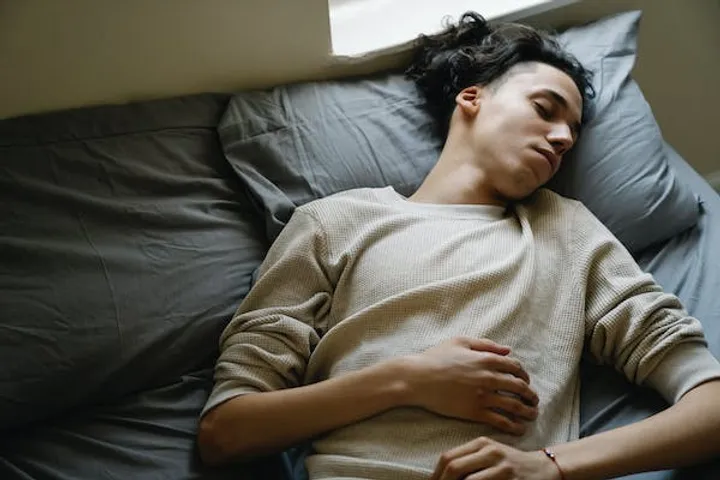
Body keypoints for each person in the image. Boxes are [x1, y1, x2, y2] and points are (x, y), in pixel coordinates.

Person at [197, 12, 720, 480]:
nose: (563, 137)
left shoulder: (567, 229)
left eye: (573, 132)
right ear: (472, 96)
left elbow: (710, 405)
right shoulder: (334, 222)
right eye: (545, 108)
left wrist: (548, 466)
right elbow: (226, 432)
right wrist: (407, 379)